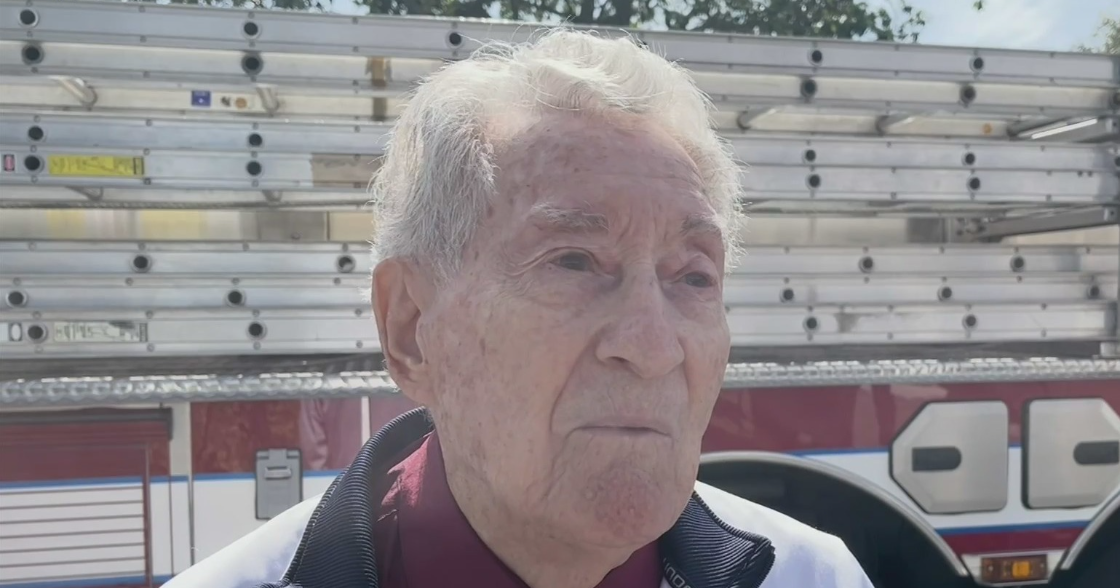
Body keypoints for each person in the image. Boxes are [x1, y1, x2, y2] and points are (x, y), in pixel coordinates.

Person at [165, 28, 873, 588]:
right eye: (573, 261)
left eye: (692, 277)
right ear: (413, 329)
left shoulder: (813, 577)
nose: (653, 346)